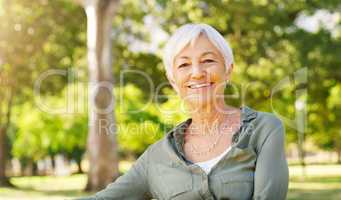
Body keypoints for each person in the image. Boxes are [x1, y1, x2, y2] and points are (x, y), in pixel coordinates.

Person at [79, 23, 289, 200]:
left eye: (208, 60)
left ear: (228, 70)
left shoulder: (264, 129)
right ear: (173, 81)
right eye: (184, 65)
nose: (197, 73)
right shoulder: (156, 157)